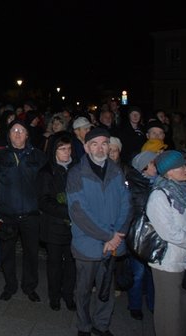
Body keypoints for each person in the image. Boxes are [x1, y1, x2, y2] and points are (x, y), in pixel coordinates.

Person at [67, 127, 131, 336]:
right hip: (88, 242)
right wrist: (108, 236)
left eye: (104, 143)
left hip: (113, 240)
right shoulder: (77, 173)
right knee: (84, 289)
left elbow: (126, 202)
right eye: (94, 144)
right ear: (86, 147)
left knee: (106, 288)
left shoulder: (116, 170)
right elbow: (79, 211)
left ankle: (102, 324)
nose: (100, 148)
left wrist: (118, 234)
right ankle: (84, 325)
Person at [146, 150, 186, 336]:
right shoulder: (158, 196)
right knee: (170, 310)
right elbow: (169, 232)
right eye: (182, 166)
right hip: (167, 261)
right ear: (170, 171)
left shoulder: (183, 191)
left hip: (185, 257)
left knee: (183, 306)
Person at [0, 119, 47, 302]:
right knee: (7, 254)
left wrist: (44, 211)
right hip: (7, 215)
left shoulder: (38, 156)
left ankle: (30, 287)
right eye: (14, 130)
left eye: (22, 130)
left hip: (31, 214)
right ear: (9, 134)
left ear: (27, 134)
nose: (18, 133)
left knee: (31, 254)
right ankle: (10, 285)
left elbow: (45, 186)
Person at [37, 135, 77, 311]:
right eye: (62, 149)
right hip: (54, 225)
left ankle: (68, 294)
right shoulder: (46, 172)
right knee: (54, 264)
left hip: (75, 227)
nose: (66, 153)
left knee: (71, 263)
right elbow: (44, 201)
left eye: (68, 149)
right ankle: (54, 296)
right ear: (54, 151)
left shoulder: (76, 169)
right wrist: (68, 210)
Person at [125, 150, 158, 321]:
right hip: (138, 235)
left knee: (152, 273)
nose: (156, 166)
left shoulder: (159, 183)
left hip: (155, 235)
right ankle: (135, 304)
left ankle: (153, 305)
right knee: (137, 273)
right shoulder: (133, 185)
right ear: (144, 167)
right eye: (153, 163)